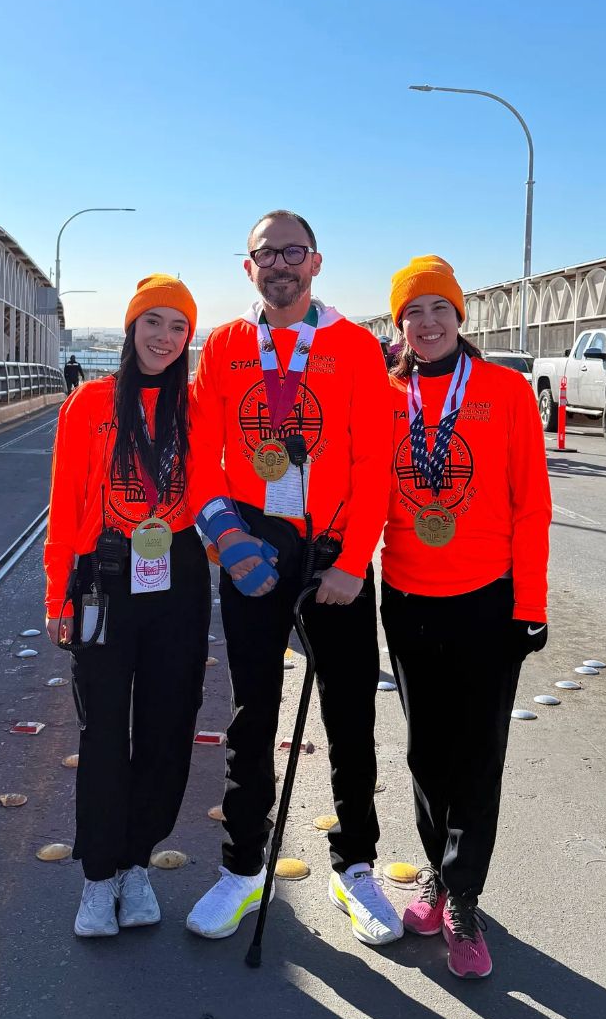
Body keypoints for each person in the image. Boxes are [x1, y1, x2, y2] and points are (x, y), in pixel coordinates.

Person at [186, 210, 401, 946]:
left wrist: (350, 562)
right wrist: (228, 541)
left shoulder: (354, 347)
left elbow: (376, 462)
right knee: (252, 712)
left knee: (351, 717)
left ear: (315, 262)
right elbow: (200, 458)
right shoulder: (224, 345)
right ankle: (243, 869)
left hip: (333, 547)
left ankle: (356, 865)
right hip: (256, 543)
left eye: (293, 251)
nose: (279, 263)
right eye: (265, 253)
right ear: (249, 269)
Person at [380, 256, 551, 980]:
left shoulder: (506, 392)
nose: (426, 322)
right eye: (412, 311)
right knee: (426, 752)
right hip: (408, 596)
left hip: (487, 599)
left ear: (461, 316)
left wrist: (530, 605)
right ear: (400, 325)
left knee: (478, 756)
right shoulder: (383, 393)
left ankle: (465, 895)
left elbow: (530, 503)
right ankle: (437, 872)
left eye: (438, 308)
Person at [44, 275, 210, 938]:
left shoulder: (197, 408)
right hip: (104, 575)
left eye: (178, 327)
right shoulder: (88, 404)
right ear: (131, 327)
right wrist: (58, 590)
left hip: (179, 571)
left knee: (170, 724)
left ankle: (137, 863)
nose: (164, 337)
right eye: (153, 322)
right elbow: (64, 500)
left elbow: (222, 483)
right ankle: (97, 875)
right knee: (104, 729)